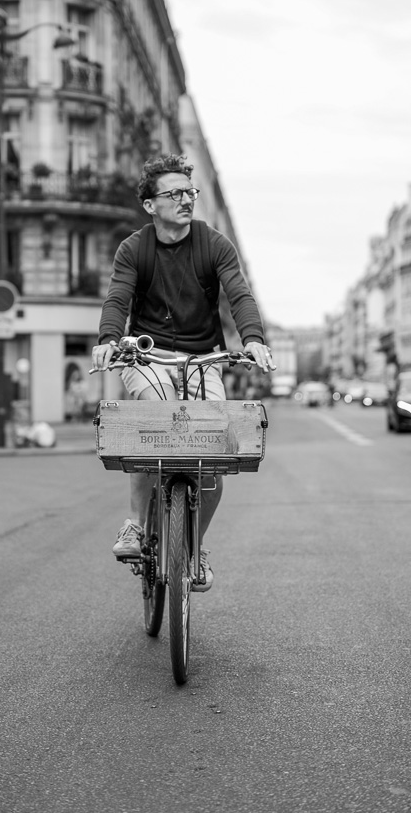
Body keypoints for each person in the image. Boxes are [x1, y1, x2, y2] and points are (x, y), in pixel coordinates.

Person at [92, 153, 274, 592]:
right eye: (174, 193)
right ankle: (136, 525)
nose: (186, 199)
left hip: (202, 356)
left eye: (189, 191)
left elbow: (239, 294)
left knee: (214, 450)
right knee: (149, 423)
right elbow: (118, 298)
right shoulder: (134, 248)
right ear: (150, 205)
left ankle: (193, 547)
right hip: (148, 356)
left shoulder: (213, 244)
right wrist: (108, 338)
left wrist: (252, 338)